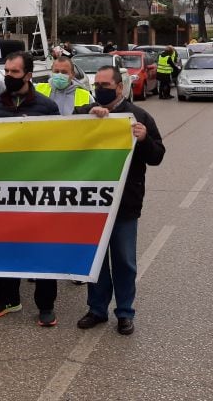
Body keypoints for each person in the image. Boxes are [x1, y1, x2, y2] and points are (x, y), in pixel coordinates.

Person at [76, 65, 165, 336]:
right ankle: (97, 309)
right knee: (97, 260)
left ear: (118, 87)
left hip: (125, 203)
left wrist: (145, 138)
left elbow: (157, 156)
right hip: (93, 203)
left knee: (124, 261)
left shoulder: (138, 116)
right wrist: (87, 115)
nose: (99, 89)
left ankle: (125, 312)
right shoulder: (85, 115)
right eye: (97, 85)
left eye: (105, 85)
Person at [0, 51, 61, 326]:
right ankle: (8, 298)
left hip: (37, 190)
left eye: (14, 72)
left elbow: (57, 146)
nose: (8, 76)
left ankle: (46, 306)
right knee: (5, 246)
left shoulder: (47, 106)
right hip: (3, 190)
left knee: (42, 248)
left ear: (28, 75)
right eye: (6, 71)